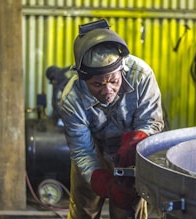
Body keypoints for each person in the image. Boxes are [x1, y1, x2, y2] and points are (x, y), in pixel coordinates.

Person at [58, 19, 164, 219]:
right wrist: (101, 181)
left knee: (128, 211)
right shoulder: (71, 100)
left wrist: (138, 141)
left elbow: (151, 122)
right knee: (83, 210)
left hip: (130, 153)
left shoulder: (142, 75)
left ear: (122, 69)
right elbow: (82, 150)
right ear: (83, 79)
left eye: (114, 81)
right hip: (93, 150)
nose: (108, 91)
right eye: (97, 84)